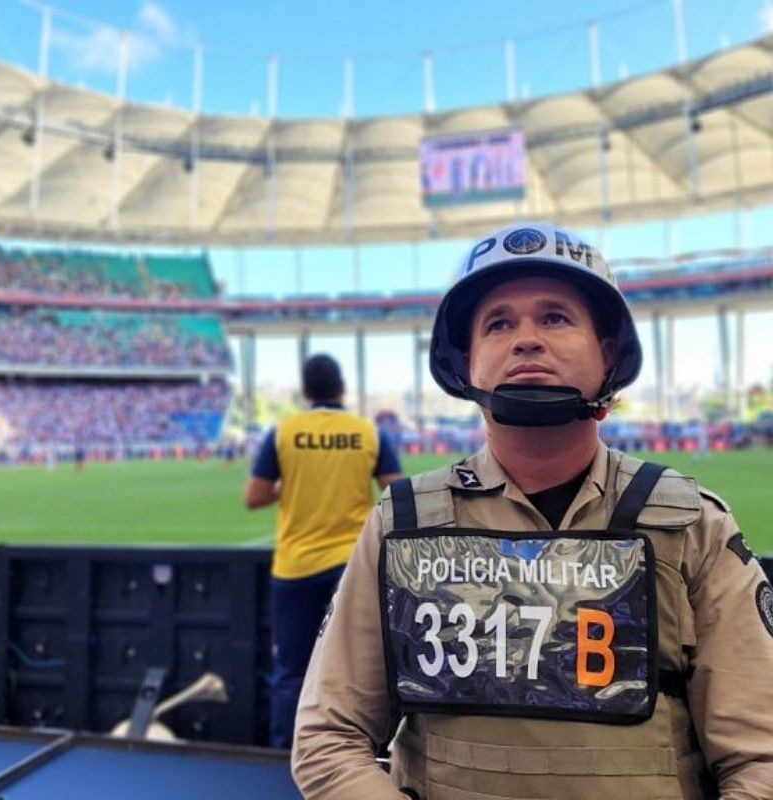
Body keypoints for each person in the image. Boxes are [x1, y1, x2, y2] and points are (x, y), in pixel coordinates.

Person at [293, 222, 773, 799]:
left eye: (555, 317)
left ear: (608, 353)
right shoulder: (403, 524)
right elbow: (327, 739)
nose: (526, 339)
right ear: (465, 362)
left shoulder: (693, 524)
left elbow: (761, 758)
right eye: (498, 324)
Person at [244, 353, 402, 749]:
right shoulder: (368, 433)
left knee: (292, 671)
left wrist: (291, 486)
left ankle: (285, 755)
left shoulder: (284, 433)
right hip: (354, 566)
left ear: (305, 390)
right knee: (361, 669)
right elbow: (397, 493)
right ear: (342, 388)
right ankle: (361, 754)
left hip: (296, 567)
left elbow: (254, 496)